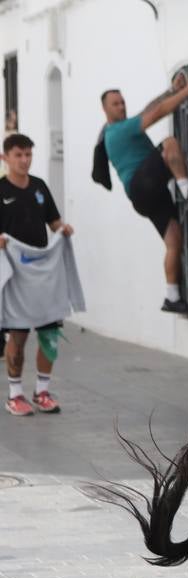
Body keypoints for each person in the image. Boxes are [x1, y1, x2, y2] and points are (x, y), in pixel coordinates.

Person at [96, 74, 188, 314]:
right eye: (115, 104)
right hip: (142, 184)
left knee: (174, 240)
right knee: (169, 144)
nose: (121, 106)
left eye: (122, 102)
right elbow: (157, 113)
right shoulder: (119, 131)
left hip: (144, 196)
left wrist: (170, 90)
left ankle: (172, 297)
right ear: (104, 109)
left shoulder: (118, 128)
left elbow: (148, 109)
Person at [0, 133, 75, 416]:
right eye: (18, 155)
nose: (24, 160)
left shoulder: (40, 187)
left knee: (49, 334)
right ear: (5, 158)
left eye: (28, 154)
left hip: (43, 273)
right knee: (17, 335)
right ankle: (15, 394)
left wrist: (62, 229)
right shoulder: (0, 189)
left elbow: (53, 221)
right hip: (15, 275)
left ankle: (42, 391)